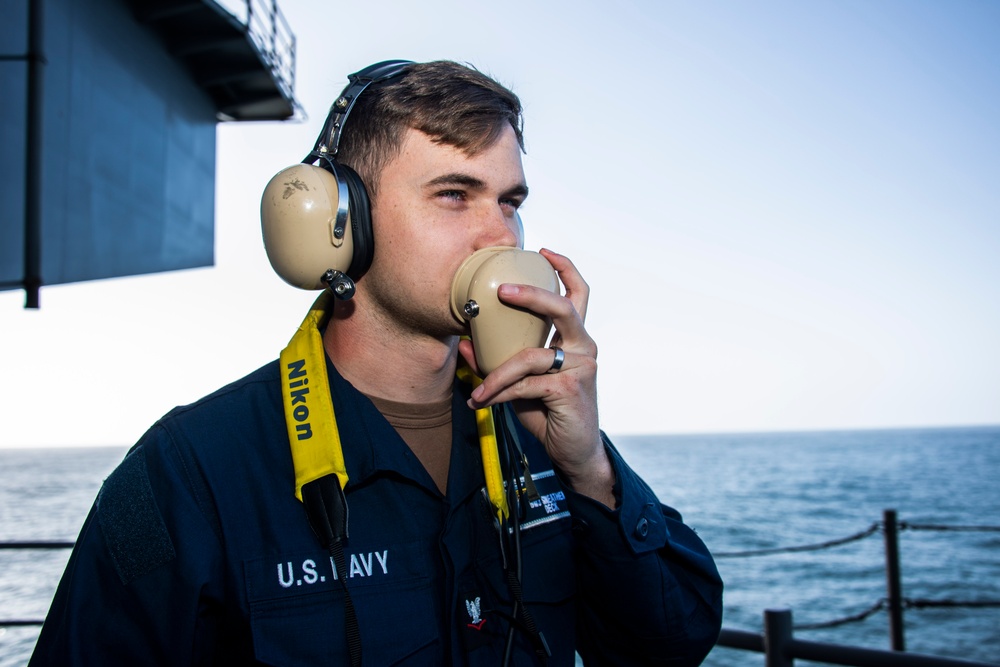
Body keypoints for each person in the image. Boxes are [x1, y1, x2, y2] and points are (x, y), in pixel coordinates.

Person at [29, 60, 722, 666]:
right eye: (455, 195)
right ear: (342, 225)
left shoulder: (542, 434)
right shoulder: (190, 472)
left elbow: (669, 643)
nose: (499, 233)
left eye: (509, 201)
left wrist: (590, 470)